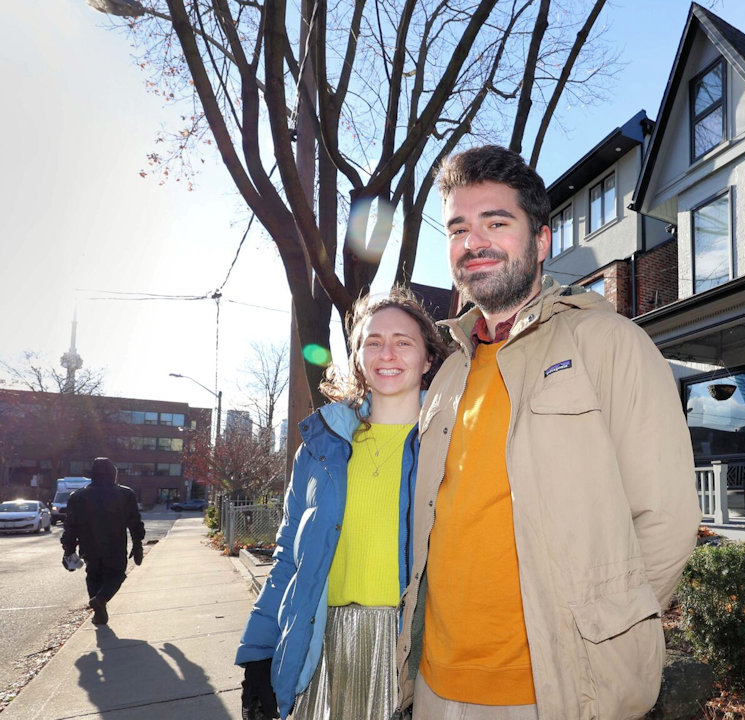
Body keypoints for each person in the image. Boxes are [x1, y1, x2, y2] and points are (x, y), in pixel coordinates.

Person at [395, 145, 700, 720]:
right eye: (458, 227)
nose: (473, 241)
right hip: (436, 685)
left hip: (552, 694)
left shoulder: (608, 342)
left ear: (541, 242)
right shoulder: (448, 375)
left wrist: (601, 642)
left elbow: (666, 518)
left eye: (496, 222)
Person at [236, 286, 449, 720]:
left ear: (428, 359)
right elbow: (288, 560)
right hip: (324, 651)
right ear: (357, 358)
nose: (386, 353)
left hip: (413, 654)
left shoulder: (450, 444)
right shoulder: (320, 447)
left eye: (403, 342)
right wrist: (258, 654)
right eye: (373, 342)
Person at [61, 457, 145, 626]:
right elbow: (134, 521)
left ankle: (99, 609)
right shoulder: (125, 494)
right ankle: (101, 599)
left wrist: (69, 549)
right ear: (113, 473)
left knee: (93, 576)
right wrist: (137, 543)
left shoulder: (77, 496)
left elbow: (70, 526)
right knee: (116, 574)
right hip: (115, 543)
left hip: (89, 545)